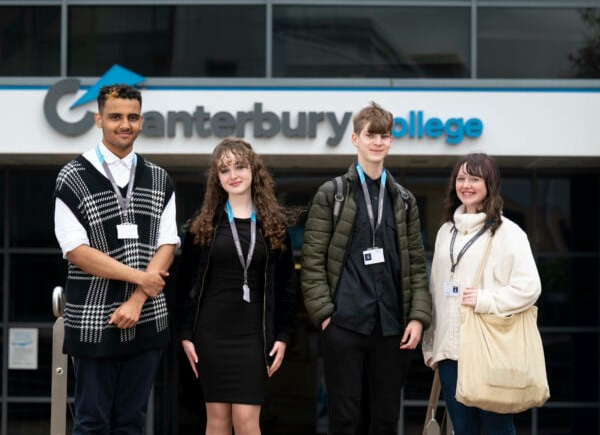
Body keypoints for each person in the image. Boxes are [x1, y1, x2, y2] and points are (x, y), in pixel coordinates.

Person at [53, 84, 180, 434]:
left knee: (131, 422)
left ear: (141, 122)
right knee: (91, 423)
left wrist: (138, 300)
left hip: (147, 317)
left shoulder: (159, 178)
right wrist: (141, 278)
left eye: (132, 117)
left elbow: (168, 243)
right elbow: (76, 251)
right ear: (98, 120)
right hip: (93, 320)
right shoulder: (72, 177)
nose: (124, 124)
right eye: (115, 117)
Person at [301, 101, 432, 434]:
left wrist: (418, 317)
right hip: (344, 323)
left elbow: (417, 263)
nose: (377, 142)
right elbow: (312, 260)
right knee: (345, 419)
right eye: (370, 135)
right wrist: (325, 316)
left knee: (386, 419)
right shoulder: (332, 194)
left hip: (392, 326)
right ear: (355, 139)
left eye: (384, 136)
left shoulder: (403, 199)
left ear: (390, 142)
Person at [177, 138, 297, 435]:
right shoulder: (203, 225)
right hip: (211, 332)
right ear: (217, 179)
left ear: (254, 170)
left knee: (246, 421)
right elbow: (184, 284)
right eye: (224, 169)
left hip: (254, 334)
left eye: (240, 166)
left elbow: (286, 287)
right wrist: (184, 334)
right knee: (216, 421)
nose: (233, 174)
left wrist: (283, 335)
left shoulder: (274, 226)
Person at [422, 153, 542, 435]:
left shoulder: (508, 232)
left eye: (474, 179)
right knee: (463, 429)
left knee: (498, 427)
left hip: (490, 350)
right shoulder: (445, 231)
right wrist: (431, 346)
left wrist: (485, 300)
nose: (466, 185)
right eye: (461, 178)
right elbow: (435, 291)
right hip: (450, 353)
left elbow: (530, 287)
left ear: (490, 185)